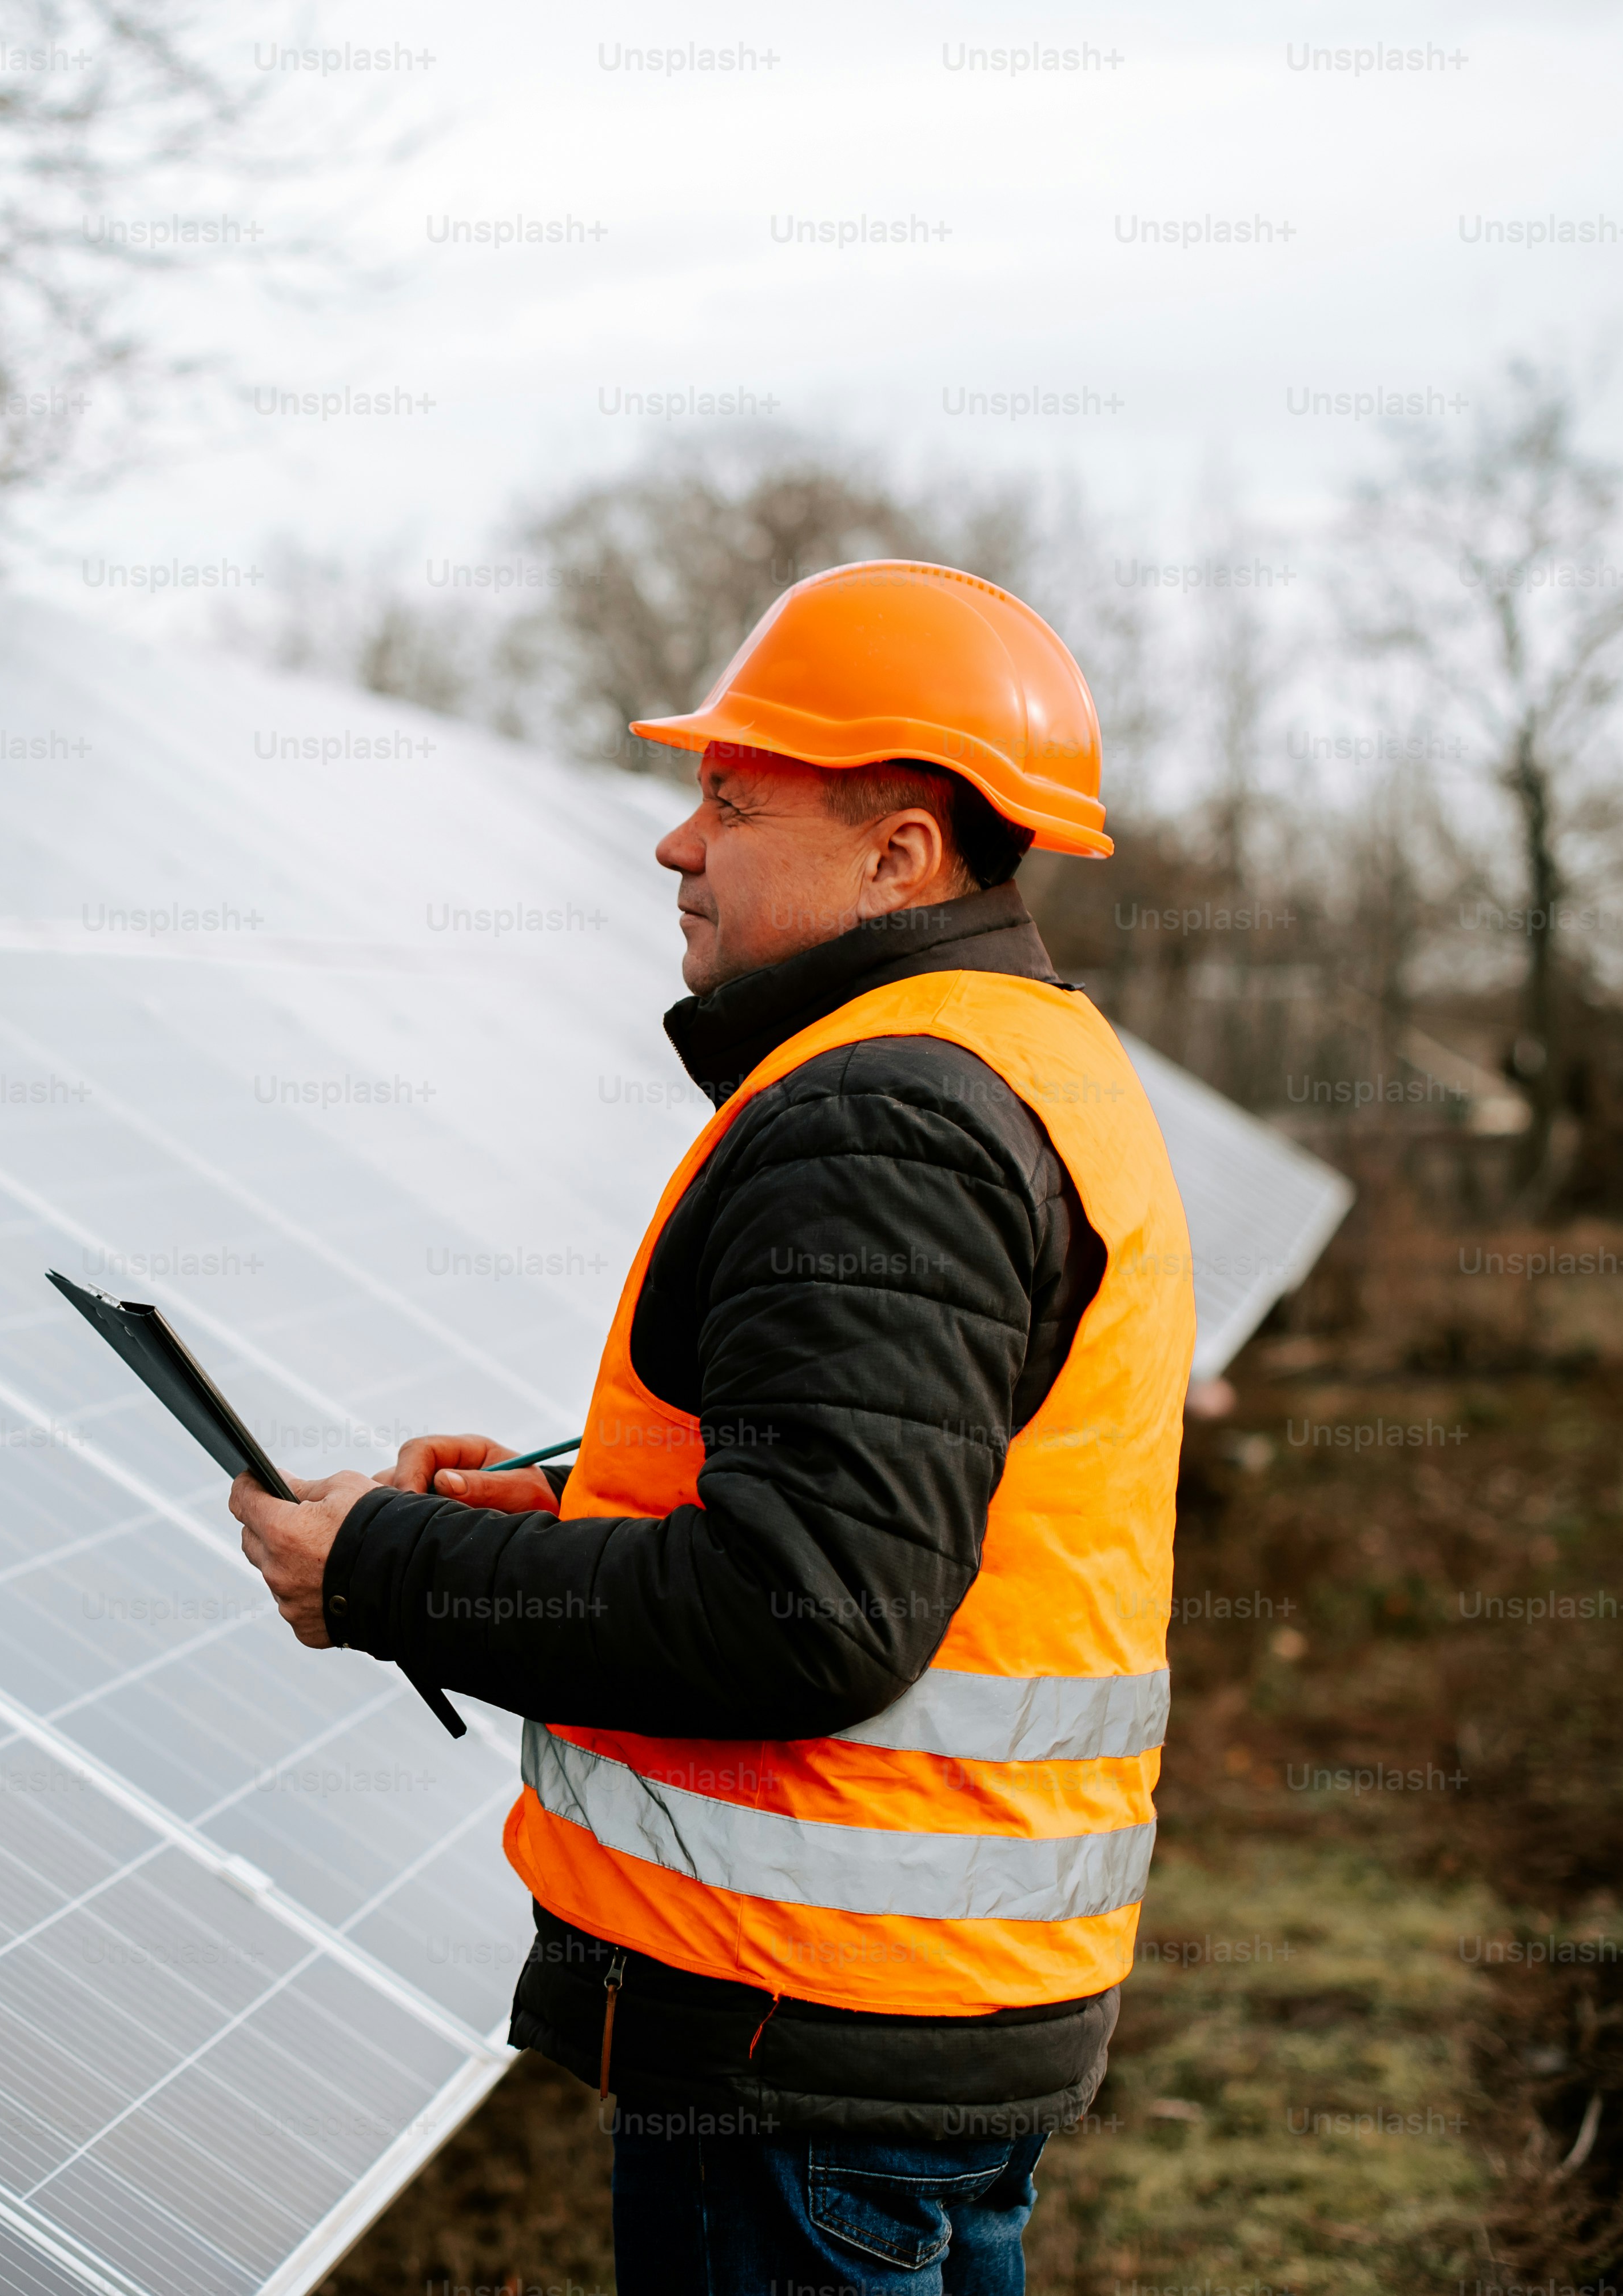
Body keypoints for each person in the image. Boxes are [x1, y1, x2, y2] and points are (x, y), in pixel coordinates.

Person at [228, 561, 1189, 2295]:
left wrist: (382, 1569)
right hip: (902, 2028)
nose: (679, 844)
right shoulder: (1026, 1059)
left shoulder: (886, 1119)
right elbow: (905, 1490)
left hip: (801, 2048)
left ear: (901, 853)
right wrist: (554, 1499)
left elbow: (802, 1610)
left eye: (734, 801)